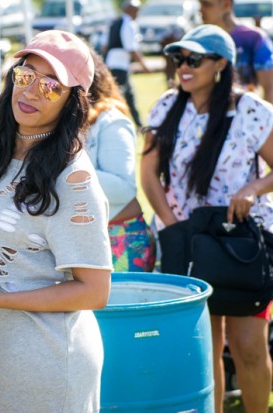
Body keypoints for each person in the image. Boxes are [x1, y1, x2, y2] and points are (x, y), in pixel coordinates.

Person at [0, 30, 113, 413]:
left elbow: (94, 291)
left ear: (72, 102)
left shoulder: (73, 179)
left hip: (46, 363)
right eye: (26, 75)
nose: (32, 91)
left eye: (51, 86)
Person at [140, 24, 273, 413]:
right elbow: (148, 173)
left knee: (249, 346)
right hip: (187, 239)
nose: (183, 66)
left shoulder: (250, 110)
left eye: (194, 59)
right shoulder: (167, 106)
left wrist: (252, 189)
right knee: (202, 348)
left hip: (242, 243)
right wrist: (173, 226)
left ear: (220, 64)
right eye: (178, 58)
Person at [86, 50, 156, 272]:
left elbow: (123, 189)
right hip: (80, 239)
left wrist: (64, 166)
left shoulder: (111, 120)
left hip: (119, 237)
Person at [198, 0, 273, 103]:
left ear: (226, 4)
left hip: (244, 109)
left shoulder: (254, 38)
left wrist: (261, 113)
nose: (201, 10)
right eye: (200, 4)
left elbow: (270, 89)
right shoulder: (200, 40)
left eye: (207, 4)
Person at [103, 0, 150, 128]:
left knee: (128, 94)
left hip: (111, 63)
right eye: (136, 10)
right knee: (118, 95)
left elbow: (104, 46)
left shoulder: (113, 23)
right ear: (128, 9)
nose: (138, 13)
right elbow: (131, 48)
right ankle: (115, 123)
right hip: (120, 65)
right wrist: (144, 66)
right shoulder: (128, 23)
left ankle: (139, 124)